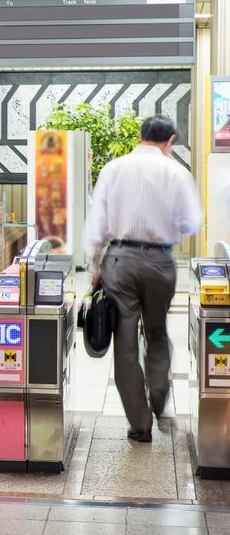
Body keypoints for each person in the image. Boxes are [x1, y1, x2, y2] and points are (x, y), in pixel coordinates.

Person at [85, 115, 201, 442]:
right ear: (170, 141)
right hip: (162, 261)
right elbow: (192, 223)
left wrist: (96, 266)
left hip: (120, 260)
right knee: (158, 331)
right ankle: (159, 397)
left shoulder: (113, 169)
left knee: (125, 343)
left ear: (139, 136)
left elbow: (96, 227)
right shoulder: (178, 173)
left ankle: (140, 425)